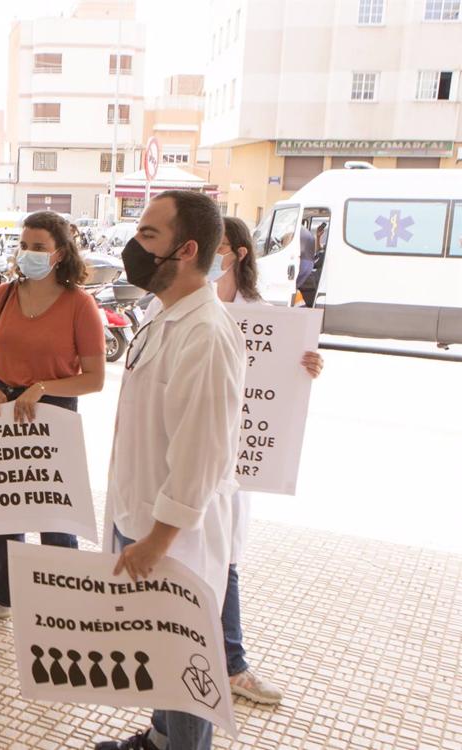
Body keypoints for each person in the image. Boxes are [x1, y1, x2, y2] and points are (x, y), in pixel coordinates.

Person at [96, 191, 245, 750]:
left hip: (174, 537)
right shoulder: (165, 315)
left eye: (148, 236)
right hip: (144, 515)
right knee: (157, 641)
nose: (134, 247)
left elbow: (200, 455)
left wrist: (158, 539)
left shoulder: (205, 334)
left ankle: (181, 742)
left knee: (185, 659)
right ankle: (160, 738)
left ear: (185, 249)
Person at [0, 210, 105, 626]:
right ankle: (3, 595)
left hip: (51, 415)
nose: (28, 254)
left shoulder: (80, 304)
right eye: (24, 246)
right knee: (3, 512)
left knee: (54, 516)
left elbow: (94, 380)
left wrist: (42, 387)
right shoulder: (3, 295)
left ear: (59, 254)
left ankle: (66, 606)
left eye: (39, 247)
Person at [208, 216, 323, 705]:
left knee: (224, 560)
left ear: (236, 252)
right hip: (182, 456)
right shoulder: (180, 305)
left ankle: (232, 664)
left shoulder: (264, 317)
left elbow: (276, 377)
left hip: (232, 464)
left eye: (215, 246)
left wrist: (306, 366)